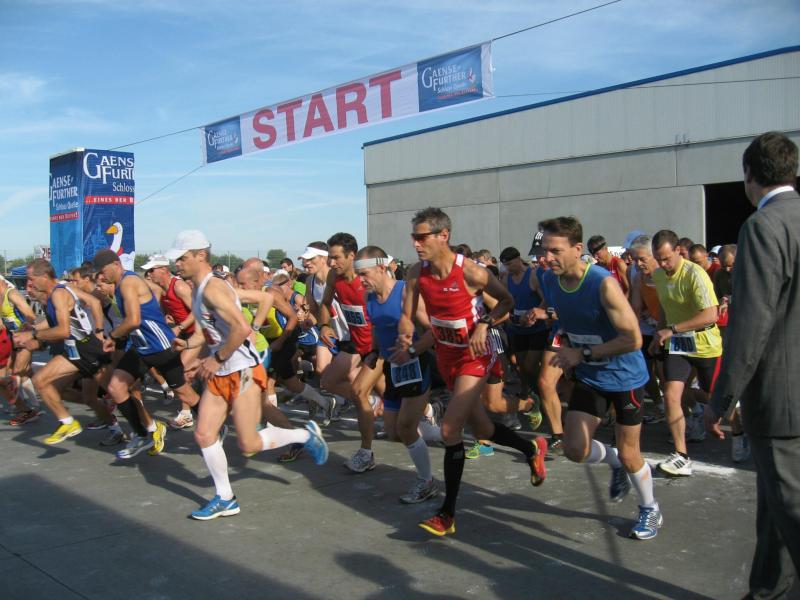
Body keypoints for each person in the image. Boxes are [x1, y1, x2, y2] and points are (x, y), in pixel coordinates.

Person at [399, 207, 547, 537]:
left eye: (421, 237)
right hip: (446, 356)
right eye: (413, 237)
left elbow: (506, 302)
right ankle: (531, 449)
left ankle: (447, 514)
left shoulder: (471, 273)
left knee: (450, 429)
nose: (415, 244)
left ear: (443, 236)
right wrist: (405, 336)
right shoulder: (416, 272)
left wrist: (483, 324)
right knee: (482, 427)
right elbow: (407, 315)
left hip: (475, 356)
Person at [165, 230, 328, 520]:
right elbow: (211, 331)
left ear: (200, 255)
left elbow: (240, 328)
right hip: (222, 370)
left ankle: (306, 435)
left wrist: (216, 358)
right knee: (203, 434)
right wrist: (191, 348)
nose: (177, 263)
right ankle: (225, 498)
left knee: (248, 443)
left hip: (243, 370)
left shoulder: (213, 288)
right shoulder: (202, 288)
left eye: (182, 258)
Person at [706, 132, 800, 599]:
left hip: (782, 399)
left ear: (749, 175)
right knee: (775, 504)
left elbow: (751, 324)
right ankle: (769, 589)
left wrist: (722, 399)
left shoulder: (763, 226)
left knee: (791, 507)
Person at [538, 217, 662, 540]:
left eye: (555, 251)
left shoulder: (602, 283)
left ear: (577, 249)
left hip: (625, 377)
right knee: (574, 448)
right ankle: (614, 461)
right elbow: (569, 320)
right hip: (591, 376)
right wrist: (562, 337)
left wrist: (583, 353)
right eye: (544, 250)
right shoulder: (550, 280)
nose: (546, 258)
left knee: (632, 453)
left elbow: (633, 339)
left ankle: (650, 508)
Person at [356, 245, 442, 503]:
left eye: (364, 274)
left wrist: (411, 351)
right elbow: (378, 328)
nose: (361, 281)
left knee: (405, 427)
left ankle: (427, 482)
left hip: (417, 364)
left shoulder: (406, 292)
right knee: (393, 431)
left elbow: (435, 332)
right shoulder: (370, 297)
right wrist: (374, 351)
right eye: (358, 275)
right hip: (393, 368)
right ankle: (441, 433)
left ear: (382, 268)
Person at [93, 249, 198, 459]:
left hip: (160, 345)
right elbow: (153, 294)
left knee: (184, 393)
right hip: (141, 347)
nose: (101, 277)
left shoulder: (128, 282)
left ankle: (215, 425)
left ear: (115, 265)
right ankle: (144, 434)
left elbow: (133, 320)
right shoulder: (121, 285)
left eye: (103, 272)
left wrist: (112, 336)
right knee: (116, 387)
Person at [649, 230, 722, 476]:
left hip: (705, 342)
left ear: (678, 251)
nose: (662, 264)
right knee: (671, 394)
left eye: (666, 258)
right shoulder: (658, 275)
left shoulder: (695, 274)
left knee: (717, 395)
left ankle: (740, 430)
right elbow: (664, 307)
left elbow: (711, 315)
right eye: (658, 259)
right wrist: (659, 334)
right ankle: (681, 455)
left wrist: (671, 329)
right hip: (678, 342)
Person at [14, 259, 110, 445]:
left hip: (88, 347)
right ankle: (74, 423)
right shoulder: (49, 298)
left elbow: (91, 305)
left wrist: (99, 331)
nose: (28, 286)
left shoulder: (61, 291)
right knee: (48, 384)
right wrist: (34, 333)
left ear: (44, 277)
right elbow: (55, 325)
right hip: (74, 349)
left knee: (119, 393)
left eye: (31, 279)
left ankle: (149, 427)